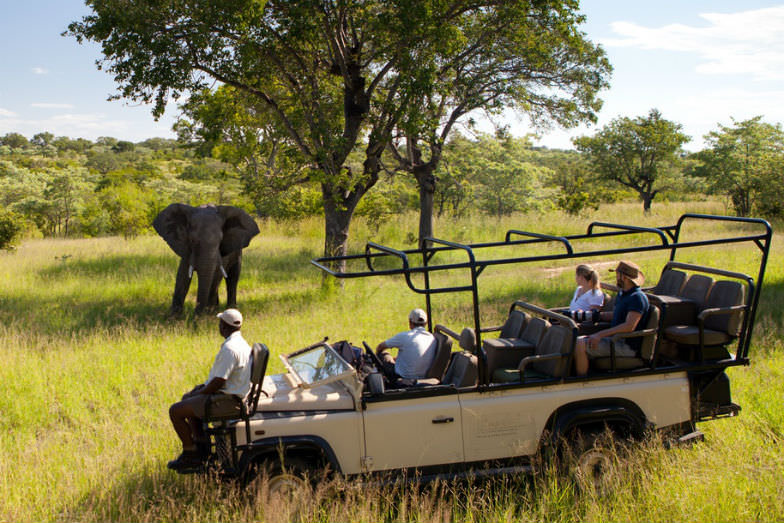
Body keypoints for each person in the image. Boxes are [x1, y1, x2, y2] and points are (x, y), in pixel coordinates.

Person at [167, 308, 252, 471]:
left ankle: (190, 452)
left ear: (224, 327)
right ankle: (201, 445)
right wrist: (200, 390)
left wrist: (201, 392)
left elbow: (219, 381)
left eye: (220, 323)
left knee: (175, 411)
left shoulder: (230, 349)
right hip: (232, 396)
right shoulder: (241, 344)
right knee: (187, 398)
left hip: (226, 401)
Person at [573, 261, 649, 376]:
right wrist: (594, 316)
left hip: (625, 345)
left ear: (623, 277)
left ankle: (581, 380)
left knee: (580, 343)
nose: (616, 277)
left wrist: (599, 335)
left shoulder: (637, 298)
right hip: (615, 339)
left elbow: (629, 326)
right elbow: (617, 315)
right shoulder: (623, 293)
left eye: (617, 274)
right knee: (573, 339)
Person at [375, 308, 437, 383]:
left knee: (383, 354)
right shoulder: (432, 338)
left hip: (402, 377)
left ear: (410, 322)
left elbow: (380, 347)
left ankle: (378, 381)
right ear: (426, 323)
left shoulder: (404, 336)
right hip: (424, 377)